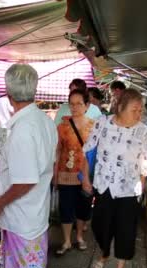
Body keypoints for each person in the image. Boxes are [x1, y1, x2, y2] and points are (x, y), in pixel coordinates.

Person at [0, 63, 57, 268]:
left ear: (8, 95)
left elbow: (26, 179)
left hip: (23, 213)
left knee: (30, 265)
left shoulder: (22, 130)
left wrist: (0, 201)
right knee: (29, 263)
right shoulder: (43, 121)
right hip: (35, 209)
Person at [81, 88, 147, 268]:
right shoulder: (102, 123)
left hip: (129, 190)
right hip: (104, 186)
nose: (139, 114)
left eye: (141, 110)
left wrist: (142, 187)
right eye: (134, 110)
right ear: (120, 107)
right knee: (100, 226)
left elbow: (144, 161)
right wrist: (85, 177)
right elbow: (87, 151)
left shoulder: (143, 131)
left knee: (126, 232)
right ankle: (104, 254)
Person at [54, 89, 94, 255]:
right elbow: (57, 151)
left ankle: (79, 236)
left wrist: (91, 177)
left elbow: (95, 153)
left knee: (83, 208)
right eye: (72, 104)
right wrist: (55, 174)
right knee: (66, 208)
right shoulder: (62, 127)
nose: (75, 107)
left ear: (87, 105)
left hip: (85, 175)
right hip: (65, 174)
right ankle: (67, 241)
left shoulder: (94, 126)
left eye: (79, 103)